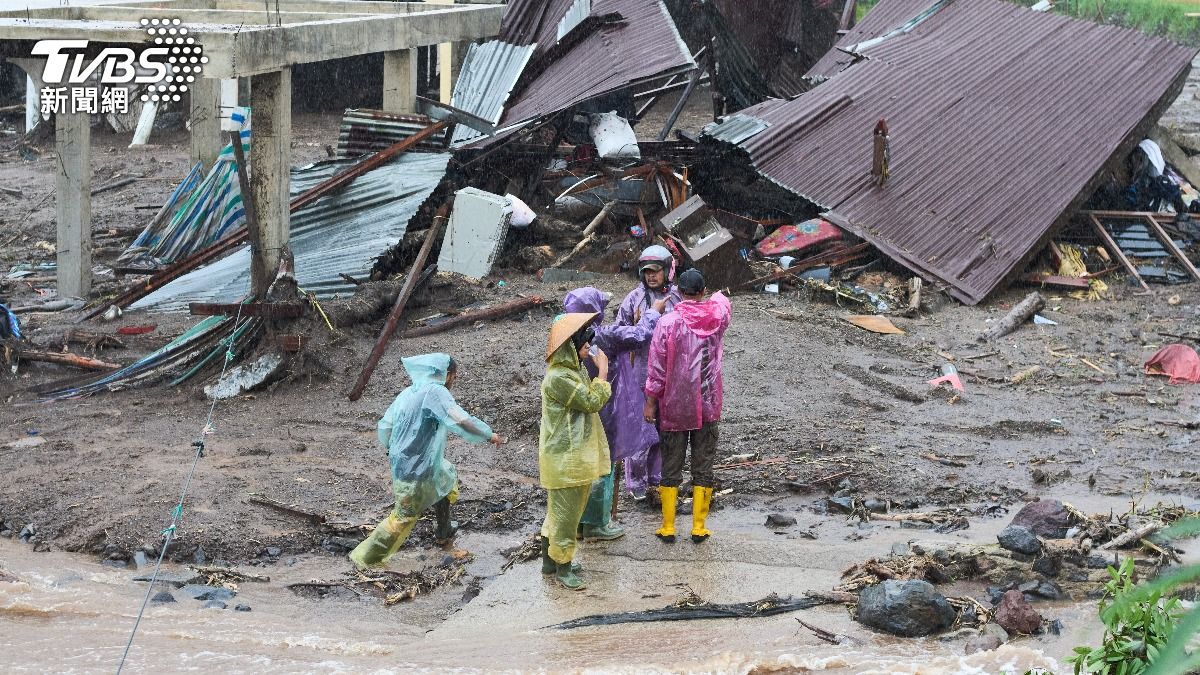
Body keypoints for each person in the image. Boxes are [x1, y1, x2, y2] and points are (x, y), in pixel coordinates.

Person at [349, 354, 503, 569]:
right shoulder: (436, 392)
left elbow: (385, 425)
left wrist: (393, 450)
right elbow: (460, 420)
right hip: (415, 468)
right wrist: (488, 434)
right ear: (447, 375)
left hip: (413, 462)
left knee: (446, 478)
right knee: (403, 516)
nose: (453, 382)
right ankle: (364, 558)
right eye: (454, 377)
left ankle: (444, 532)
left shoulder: (408, 392)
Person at [562, 287, 666, 541]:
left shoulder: (565, 339)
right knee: (603, 466)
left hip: (574, 411)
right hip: (606, 408)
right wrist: (653, 312)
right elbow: (641, 335)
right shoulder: (603, 337)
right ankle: (597, 524)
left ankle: (577, 522)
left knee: (582, 465)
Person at [643, 268, 731, 544]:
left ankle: (668, 526)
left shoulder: (667, 323)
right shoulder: (717, 316)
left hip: (674, 404)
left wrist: (650, 403)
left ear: (678, 292)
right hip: (708, 403)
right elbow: (722, 300)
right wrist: (714, 295)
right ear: (702, 291)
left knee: (671, 464)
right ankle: (698, 526)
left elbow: (656, 368)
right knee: (703, 465)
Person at [539, 312, 613, 590]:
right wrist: (603, 372)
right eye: (583, 345)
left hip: (568, 457)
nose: (588, 351)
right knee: (567, 517)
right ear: (570, 346)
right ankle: (564, 568)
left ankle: (550, 561)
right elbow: (592, 401)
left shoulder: (569, 372)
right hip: (566, 459)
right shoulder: (560, 378)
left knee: (558, 513)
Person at [616, 244, 682, 503]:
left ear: (668, 271)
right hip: (640, 373)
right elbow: (621, 331)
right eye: (647, 272)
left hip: (671, 375)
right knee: (641, 431)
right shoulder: (633, 299)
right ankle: (636, 483)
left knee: (664, 431)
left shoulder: (677, 298)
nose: (651, 276)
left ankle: (657, 478)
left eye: (656, 271)